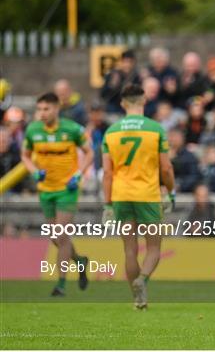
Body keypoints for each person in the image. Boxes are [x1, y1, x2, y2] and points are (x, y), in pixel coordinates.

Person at [101, 85, 175, 309]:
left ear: (123, 104)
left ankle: (136, 298)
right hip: (148, 195)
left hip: (121, 195)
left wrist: (107, 204)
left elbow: (107, 173)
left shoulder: (111, 132)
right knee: (153, 248)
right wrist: (170, 192)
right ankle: (142, 280)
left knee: (129, 249)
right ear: (144, 100)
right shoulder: (156, 129)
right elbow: (166, 168)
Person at [21, 92, 94, 296]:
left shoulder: (71, 129)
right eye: (39, 109)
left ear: (56, 109)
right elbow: (25, 156)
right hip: (46, 190)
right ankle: (80, 261)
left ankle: (61, 284)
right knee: (55, 237)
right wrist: (34, 171)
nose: (42, 113)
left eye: (47, 109)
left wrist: (78, 174)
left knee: (61, 234)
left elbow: (90, 152)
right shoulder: (33, 130)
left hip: (67, 189)